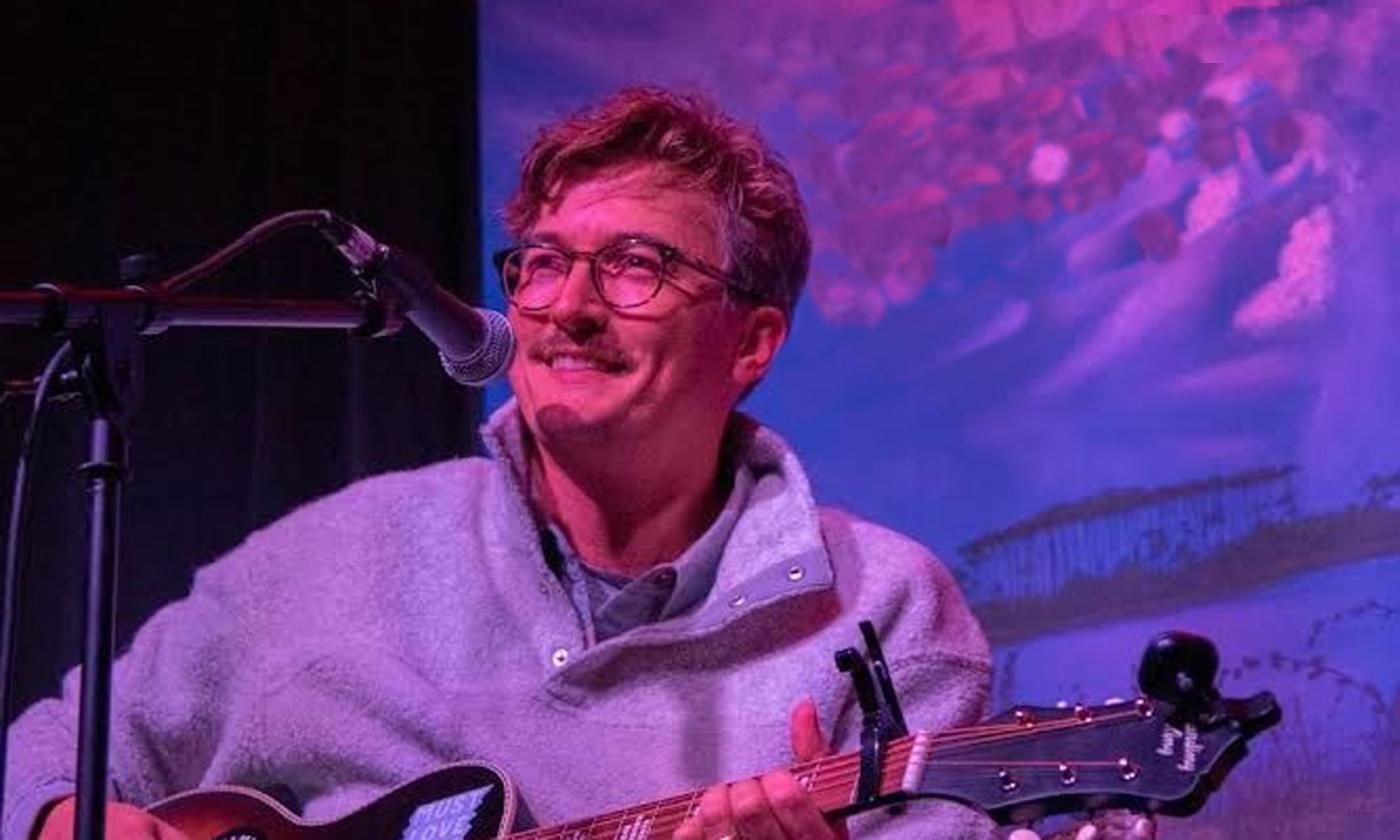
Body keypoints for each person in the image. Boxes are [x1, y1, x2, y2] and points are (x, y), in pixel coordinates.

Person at [6, 87, 1150, 840]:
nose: (567, 309)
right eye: (542, 265)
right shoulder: (339, 546)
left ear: (750, 341)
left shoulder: (883, 609)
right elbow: (55, 742)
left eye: (636, 266)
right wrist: (64, 814)